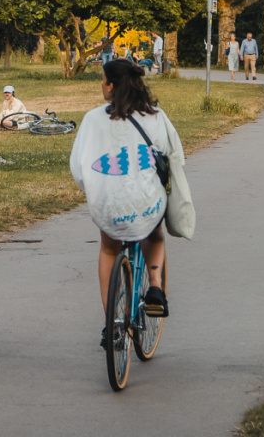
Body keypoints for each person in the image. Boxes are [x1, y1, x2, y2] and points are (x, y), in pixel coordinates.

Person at [70, 59, 187, 346]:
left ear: (111, 86)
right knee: (155, 235)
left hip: (108, 203)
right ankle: (156, 288)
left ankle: (112, 323)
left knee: (109, 250)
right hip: (147, 201)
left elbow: (78, 166)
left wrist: (94, 189)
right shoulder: (156, 116)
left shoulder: (93, 120)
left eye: (102, 80)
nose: (101, 85)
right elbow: (176, 157)